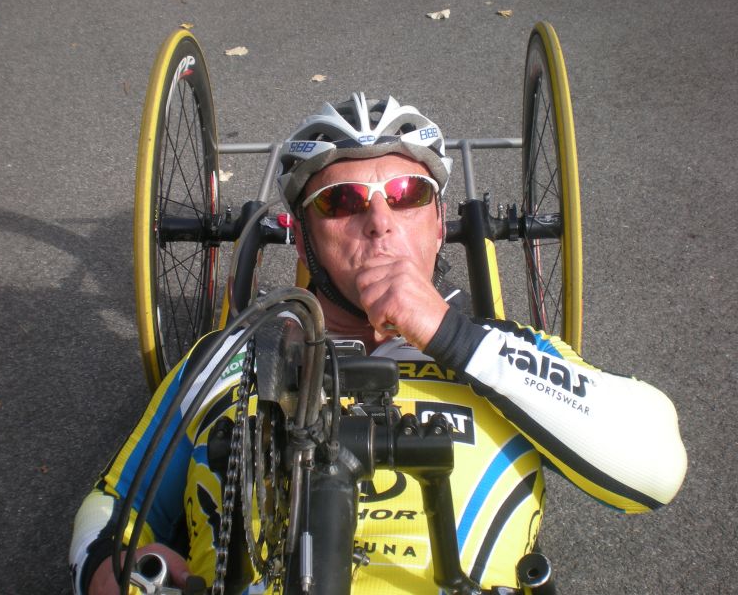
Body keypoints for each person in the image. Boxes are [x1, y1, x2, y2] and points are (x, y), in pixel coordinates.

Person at [70, 93, 687, 594]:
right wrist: (106, 568)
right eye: (341, 201)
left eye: (407, 195)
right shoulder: (225, 358)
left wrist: (450, 336)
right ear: (304, 237)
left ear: (439, 224)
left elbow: (656, 468)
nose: (380, 222)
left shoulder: (507, 351)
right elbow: (114, 504)